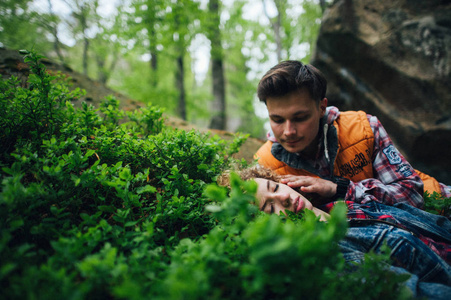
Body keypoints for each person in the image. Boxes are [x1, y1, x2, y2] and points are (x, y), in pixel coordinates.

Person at [220, 166, 451, 299]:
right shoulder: (332, 255)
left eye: (274, 188)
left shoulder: (347, 206)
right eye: (269, 207)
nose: (282, 198)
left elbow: (436, 223)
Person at [254, 60, 451, 208]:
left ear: (322, 107)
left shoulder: (364, 128)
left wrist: (338, 188)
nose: (288, 131)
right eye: (278, 120)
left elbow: (411, 193)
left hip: (440, 206)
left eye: (300, 118)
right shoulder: (265, 163)